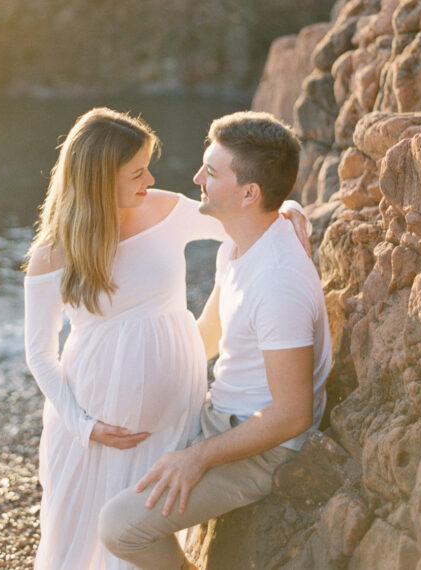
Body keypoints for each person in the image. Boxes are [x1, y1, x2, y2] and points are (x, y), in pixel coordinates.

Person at [23, 107, 308, 569]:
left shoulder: (168, 210)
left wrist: (290, 208)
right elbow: (38, 353)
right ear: (99, 179)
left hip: (172, 416)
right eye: (136, 172)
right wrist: (84, 424)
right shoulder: (52, 252)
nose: (150, 178)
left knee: (137, 536)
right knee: (79, 544)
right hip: (93, 428)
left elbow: (246, 214)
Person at [98, 111, 332, 570]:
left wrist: (197, 457)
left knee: (119, 527)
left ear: (249, 193)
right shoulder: (241, 239)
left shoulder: (278, 282)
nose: (196, 177)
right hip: (217, 414)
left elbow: (291, 414)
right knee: (111, 448)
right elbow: (208, 333)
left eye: (212, 171)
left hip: (262, 447)